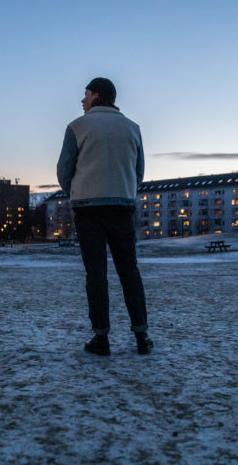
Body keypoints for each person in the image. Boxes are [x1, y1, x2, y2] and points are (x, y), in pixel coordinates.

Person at [57, 77, 153, 356]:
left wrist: (75, 192)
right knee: (129, 271)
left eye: (85, 94)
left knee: (96, 274)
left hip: (88, 208)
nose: (82, 100)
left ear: (96, 95)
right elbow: (139, 171)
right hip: (122, 205)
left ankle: (101, 338)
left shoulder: (77, 126)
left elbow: (64, 170)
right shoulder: (132, 128)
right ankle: (142, 336)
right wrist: (126, 191)